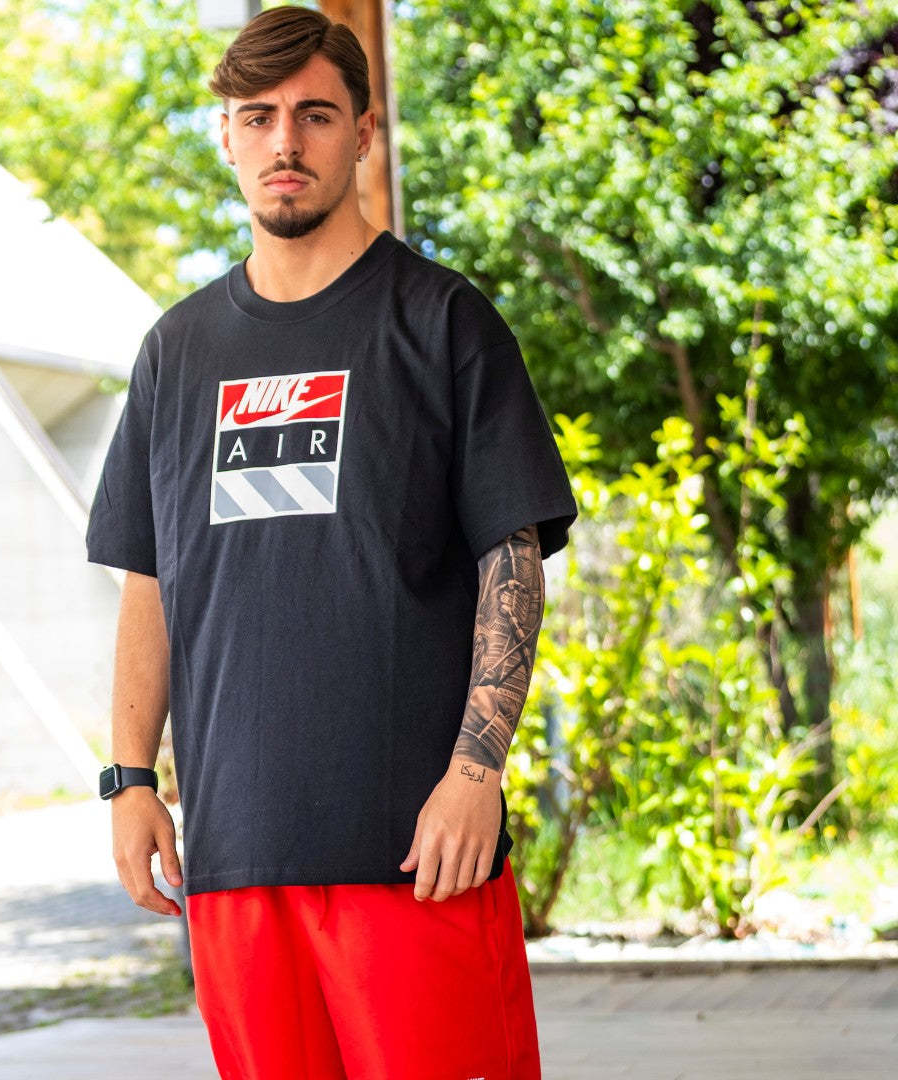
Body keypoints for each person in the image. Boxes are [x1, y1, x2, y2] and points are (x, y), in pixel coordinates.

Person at [85, 6, 578, 1078]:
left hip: (416, 857)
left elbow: (511, 561)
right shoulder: (176, 352)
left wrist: (476, 773)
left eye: (314, 115)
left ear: (362, 134)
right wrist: (129, 781)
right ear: (226, 136)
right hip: (238, 864)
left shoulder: (443, 323)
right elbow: (149, 580)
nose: (285, 141)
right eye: (257, 117)